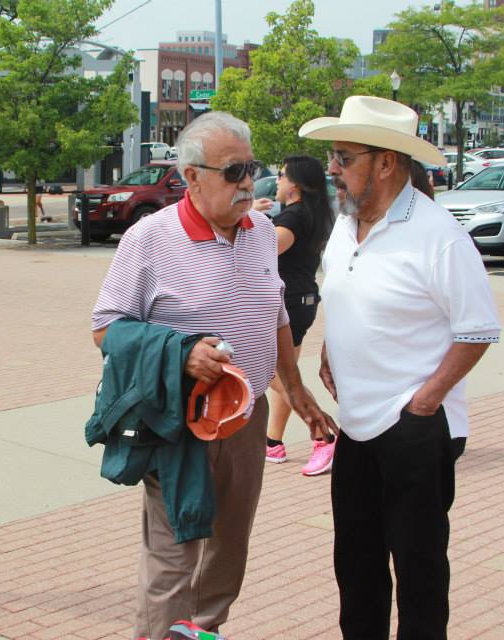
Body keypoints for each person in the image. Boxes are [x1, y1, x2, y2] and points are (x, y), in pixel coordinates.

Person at [91, 111, 337, 640]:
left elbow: (275, 318)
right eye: (232, 171)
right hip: (177, 422)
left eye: (251, 168)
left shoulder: (261, 232)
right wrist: (179, 354)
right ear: (192, 177)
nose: (247, 181)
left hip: (246, 420)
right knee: (175, 552)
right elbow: (106, 330)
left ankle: (202, 631)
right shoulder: (149, 239)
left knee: (229, 546)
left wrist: (298, 393)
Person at [300, 96, 500, 639]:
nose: (333, 170)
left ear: (386, 162)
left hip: (414, 428)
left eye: (344, 157)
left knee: (419, 572)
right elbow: (346, 294)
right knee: (356, 569)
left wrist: (425, 400)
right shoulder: (346, 226)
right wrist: (329, 348)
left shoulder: (440, 237)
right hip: (357, 428)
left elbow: (478, 329)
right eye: (333, 158)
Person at [263, 156, 337, 476]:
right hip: (302, 300)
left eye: (280, 175)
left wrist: (248, 218)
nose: (276, 181)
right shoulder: (313, 213)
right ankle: (273, 443)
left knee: (270, 375)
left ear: (294, 184)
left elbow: (264, 251)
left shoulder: (292, 217)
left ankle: (324, 435)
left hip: (288, 305)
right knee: (287, 374)